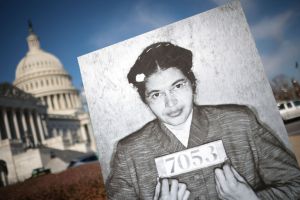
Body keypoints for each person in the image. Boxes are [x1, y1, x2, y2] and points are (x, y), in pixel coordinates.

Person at [106, 42, 300, 200]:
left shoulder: (240, 122)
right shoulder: (128, 153)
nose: (170, 102)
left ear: (193, 85)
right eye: (156, 94)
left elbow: (295, 185)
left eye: (178, 86)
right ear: (146, 101)